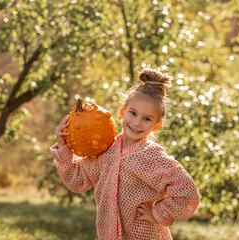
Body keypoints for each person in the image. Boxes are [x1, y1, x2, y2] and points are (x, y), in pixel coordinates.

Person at [50, 68, 200, 239]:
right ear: (123, 112)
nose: (137, 123)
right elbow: (77, 180)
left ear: (156, 125)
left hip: (145, 235)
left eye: (147, 119)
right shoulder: (106, 151)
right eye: (133, 113)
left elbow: (186, 191)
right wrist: (64, 147)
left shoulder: (151, 155)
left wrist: (159, 214)